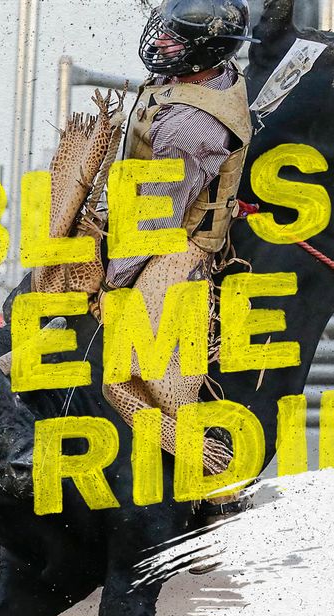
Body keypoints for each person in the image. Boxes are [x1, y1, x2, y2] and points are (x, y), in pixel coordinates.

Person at [99, 0, 254, 477]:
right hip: (147, 220)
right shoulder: (201, 78)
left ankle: (211, 478)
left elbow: (156, 221)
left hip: (175, 248)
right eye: (164, 30)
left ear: (203, 50)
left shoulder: (192, 126)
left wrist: (111, 283)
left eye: (176, 37)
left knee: (125, 377)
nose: (160, 41)